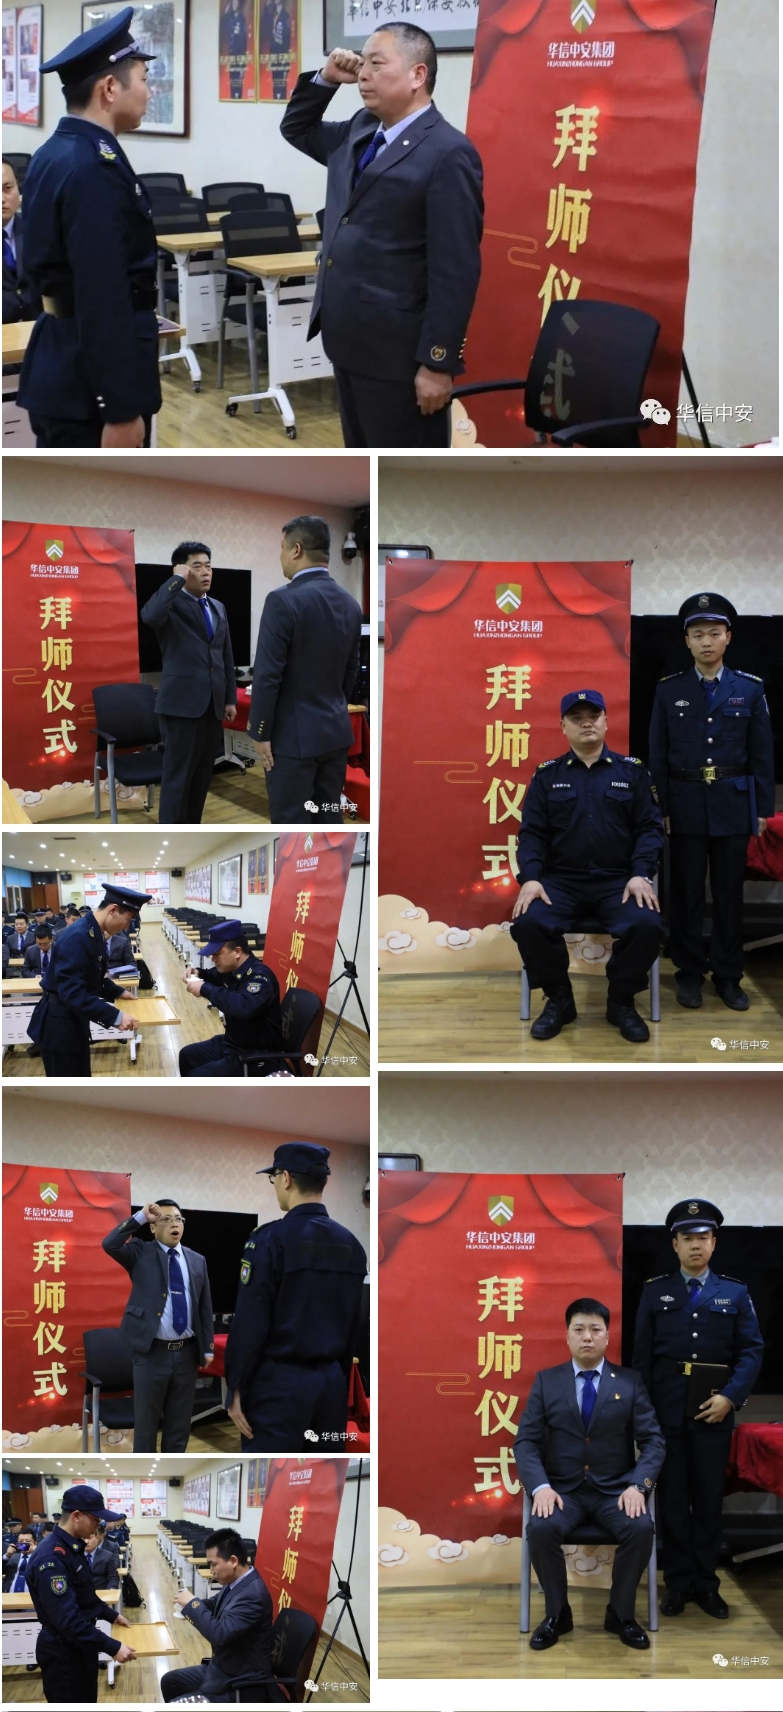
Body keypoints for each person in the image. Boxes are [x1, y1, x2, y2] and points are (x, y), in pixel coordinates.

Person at [280, 23, 483, 448]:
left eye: (377, 63)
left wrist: (438, 362)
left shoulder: (448, 153)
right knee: (361, 457)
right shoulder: (360, 129)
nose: (363, 74)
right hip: (348, 339)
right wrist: (326, 79)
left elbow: (455, 270)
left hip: (400, 355)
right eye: (363, 63)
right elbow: (296, 128)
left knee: (399, 470)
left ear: (417, 75)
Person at [16, 9, 161, 447]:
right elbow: (103, 292)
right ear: (110, 88)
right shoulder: (92, 167)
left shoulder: (56, 152)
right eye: (144, 80)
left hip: (63, 362)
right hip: (89, 390)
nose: (150, 91)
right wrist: (118, 408)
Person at [633, 1198, 764, 1619]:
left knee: (708, 1502)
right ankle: (677, 1583)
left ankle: (706, 1584)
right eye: (688, 1238)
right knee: (672, 1502)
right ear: (675, 1244)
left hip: (715, 1414)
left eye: (703, 1237)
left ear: (714, 1243)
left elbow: (751, 1351)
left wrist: (731, 1397)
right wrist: (644, 1418)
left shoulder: (735, 1292)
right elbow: (642, 1359)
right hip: (667, 1415)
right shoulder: (655, 1291)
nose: (696, 1245)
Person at [510, 689, 665, 1044]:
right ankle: (560, 1000)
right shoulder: (547, 776)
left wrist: (641, 873)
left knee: (647, 924)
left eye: (593, 716)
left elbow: (649, 829)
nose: (586, 723)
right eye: (577, 718)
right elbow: (532, 834)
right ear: (563, 726)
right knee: (529, 923)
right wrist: (531, 878)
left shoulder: (632, 772)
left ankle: (621, 1001)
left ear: (606, 721)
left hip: (618, 882)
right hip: (560, 882)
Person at [514, 1297, 665, 1652]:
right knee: (541, 1528)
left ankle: (621, 1614)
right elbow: (526, 1442)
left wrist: (638, 1486)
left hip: (615, 1492)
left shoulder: (629, 1382)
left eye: (595, 1330)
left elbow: (653, 1441)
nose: (587, 1337)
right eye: (579, 1329)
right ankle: (557, 1614)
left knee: (640, 1527)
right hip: (563, 1493)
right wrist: (540, 1487)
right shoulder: (547, 1381)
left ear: (607, 1336)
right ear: (567, 1335)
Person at [648, 592, 775, 1011]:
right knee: (685, 894)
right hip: (684, 805)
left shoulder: (749, 689)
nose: (706, 641)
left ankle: (728, 975)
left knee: (728, 895)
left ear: (728, 637)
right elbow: (658, 755)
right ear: (686, 641)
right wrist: (662, 808)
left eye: (714, 633)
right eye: (698, 634)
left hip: (733, 806)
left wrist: (761, 810)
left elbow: (761, 755)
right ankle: (688, 972)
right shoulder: (670, 690)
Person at [225, 1143, 367, 1450]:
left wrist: (234, 1386)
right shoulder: (352, 1245)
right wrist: (339, 1381)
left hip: (279, 1385)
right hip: (331, 1384)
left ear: (286, 1177)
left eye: (273, 1177)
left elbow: (250, 1321)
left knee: (273, 1466)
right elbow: (355, 1324)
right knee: (323, 1467)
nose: (275, 1184)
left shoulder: (268, 1240)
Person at [248, 515, 362, 821]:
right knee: (328, 816)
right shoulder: (351, 604)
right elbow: (351, 671)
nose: (281, 556)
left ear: (296, 549)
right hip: (335, 733)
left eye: (282, 548)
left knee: (293, 822)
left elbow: (267, 675)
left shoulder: (282, 601)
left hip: (291, 740)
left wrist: (260, 731)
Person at [102, 1197, 215, 1452]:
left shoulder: (197, 1260)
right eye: (166, 1220)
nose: (174, 1224)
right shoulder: (140, 1253)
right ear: (153, 1227)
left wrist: (207, 1346)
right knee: (146, 1426)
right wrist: (140, 1217)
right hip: (151, 1354)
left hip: (186, 1354)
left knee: (179, 1426)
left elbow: (204, 1307)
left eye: (178, 1219)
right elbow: (110, 1243)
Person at [141, 542, 237, 823]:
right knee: (178, 779)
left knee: (202, 777)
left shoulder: (217, 606)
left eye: (208, 566)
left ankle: (193, 826)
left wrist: (229, 698)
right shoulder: (170, 603)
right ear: (182, 569)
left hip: (212, 706)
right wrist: (176, 580)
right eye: (197, 566)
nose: (206, 572)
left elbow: (225, 655)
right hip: (180, 706)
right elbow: (150, 615)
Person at [25, 1484, 136, 1703]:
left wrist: (112, 1615)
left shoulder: (72, 1548)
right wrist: (112, 1647)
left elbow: (85, 1595)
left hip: (81, 1645)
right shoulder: (51, 1558)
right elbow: (67, 1619)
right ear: (76, 1516)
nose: (99, 1524)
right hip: (63, 1652)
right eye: (95, 1519)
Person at [28, 882, 151, 1076]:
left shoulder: (93, 932)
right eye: (128, 920)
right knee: (69, 1086)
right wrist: (116, 1016)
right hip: (59, 1025)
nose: (128, 926)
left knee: (81, 1079)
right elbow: (72, 992)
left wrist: (119, 992)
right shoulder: (78, 936)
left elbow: (92, 977)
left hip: (73, 1019)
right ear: (113, 910)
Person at [161, 1529, 280, 1703]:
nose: (211, 1571)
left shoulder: (252, 1594)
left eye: (213, 1564)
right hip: (222, 1668)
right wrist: (190, 1606)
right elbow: (213, 1603)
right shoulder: (237, 1582)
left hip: (238, 1680)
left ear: (233, 1561)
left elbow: (219, 1635)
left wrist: (193, 1604)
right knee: (170, 1681)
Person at [178, 919, 283, 1078]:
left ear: (237, 952)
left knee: (197, 1076)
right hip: (234, 1042)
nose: (212, 958)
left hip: (255, 1053)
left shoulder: (260, 977)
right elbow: (212, 975)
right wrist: (197, 972)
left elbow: (243, 1007)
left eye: (217, 954)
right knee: (187, 1055)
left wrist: (204, 988)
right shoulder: (232, 969)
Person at [2, 156, 40, 322]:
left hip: (34, 327)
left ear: (19, 189)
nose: (2, 199)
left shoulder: (36, 230)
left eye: (7, 188)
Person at [221, 0, 248, 100]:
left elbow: (244, 39)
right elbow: (223, 25)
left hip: (239, 53)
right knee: (232, 79)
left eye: (236, 3)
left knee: (239, 79)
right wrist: (226, 12)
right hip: (231, 53)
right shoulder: (230, 18)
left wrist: (243, 61)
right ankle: (233, 98)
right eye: (233, 3)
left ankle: (238, 97)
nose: (234, 5)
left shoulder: (241, 18)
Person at [83, 1524, 120, 1591]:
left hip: (102, 1593)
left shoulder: (108, 1556)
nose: (86, 1541)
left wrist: (111, 1590)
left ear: (97, 1538)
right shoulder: (74, 1556)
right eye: (83, 1538)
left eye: (90, 1538)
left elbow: (113, 1578)